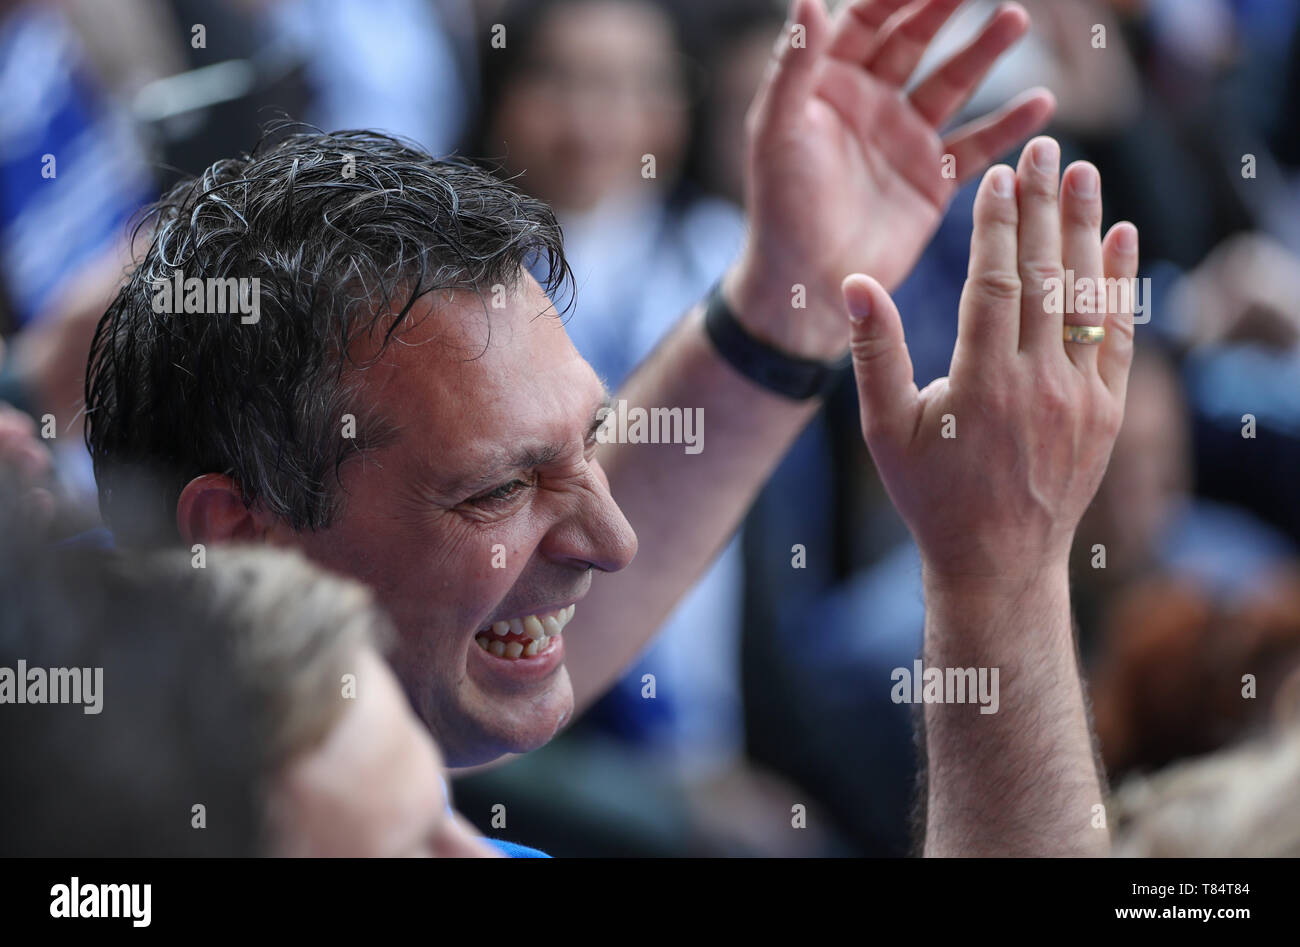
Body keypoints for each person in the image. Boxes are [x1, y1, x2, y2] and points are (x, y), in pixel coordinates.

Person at [86, 0, 1133, 854]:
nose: (614, 538)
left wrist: (786, 301)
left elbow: (464, 630)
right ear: (236, 537)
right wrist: (999, 573)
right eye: (495, 489)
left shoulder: (245, 743)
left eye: (591, 440)